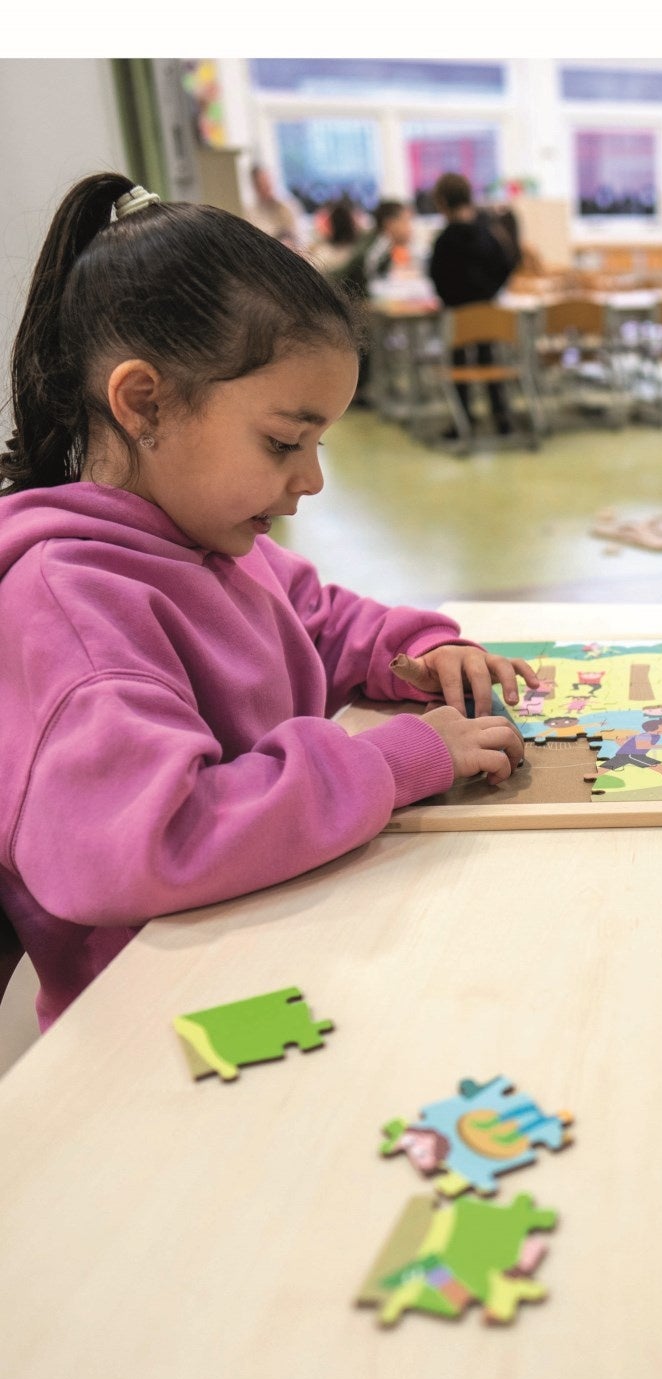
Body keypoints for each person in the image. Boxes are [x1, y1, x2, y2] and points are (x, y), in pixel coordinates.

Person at [0, 173, 540, 1033]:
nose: (312, 479)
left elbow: (314, 618)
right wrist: (392, 762)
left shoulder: (203, 536)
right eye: (285, 441)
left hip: (277, 930)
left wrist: (415, 651)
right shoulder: (75, 606)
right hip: (163, 1018)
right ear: (144, 403)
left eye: (319, 444)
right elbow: (149, 844)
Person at [428, 171, 523, 436]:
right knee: (489, 358)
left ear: (443, 203)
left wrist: (450, 300)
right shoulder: (488, 234)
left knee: (458, 361)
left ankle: (463, 419)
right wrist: (489, 294)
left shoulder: (444, 240)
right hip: (488, 310)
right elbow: (506, 266)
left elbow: (436, 277)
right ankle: (501, 416)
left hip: (457, 314)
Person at [245, 163, 301, 249]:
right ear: (255, 187)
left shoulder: (287, 205)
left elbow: (298, 235)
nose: (266, 189)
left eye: (267, 184)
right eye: (261, 185)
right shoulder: (251, 212)